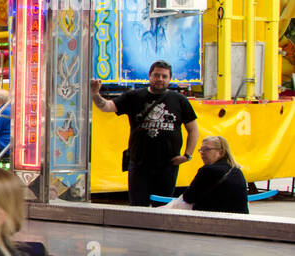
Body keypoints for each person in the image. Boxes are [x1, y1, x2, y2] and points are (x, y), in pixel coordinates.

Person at [91, 61, 198, 206]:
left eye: (164, 76)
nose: (160, 79)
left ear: (170, 78)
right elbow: (106, 107)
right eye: (156, 75)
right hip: (139, 163)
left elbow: (193, 129)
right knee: (137, 206)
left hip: (167, 165)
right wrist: (95, 94)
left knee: (163, 207)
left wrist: (187, 155)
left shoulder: (179, 100)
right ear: (149, 76)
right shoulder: (133, 96)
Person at [165, 135, 249, 214]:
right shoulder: (236, 170)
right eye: (201, 150)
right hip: (240, 220)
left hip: (216, 221)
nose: (202, 153)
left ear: (220, 152)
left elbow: (188, 198)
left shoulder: (208, 170)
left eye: (206, 149)